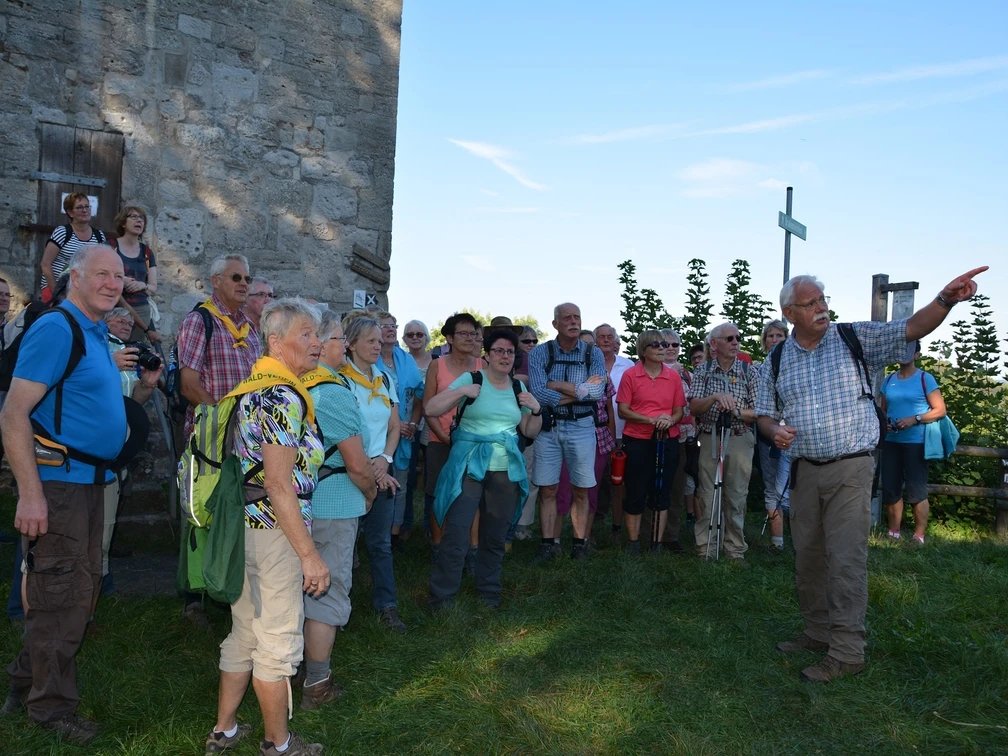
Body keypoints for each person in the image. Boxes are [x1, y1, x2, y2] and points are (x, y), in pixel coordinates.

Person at [758, 267, 985, 683]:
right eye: (811, 304)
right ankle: (817, 631)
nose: (822, 308)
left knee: (845, 557)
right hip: (804, 471)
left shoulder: (853, 337)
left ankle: (846, 652)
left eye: (823, 300)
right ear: (790, 313)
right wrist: (774, 431)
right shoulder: (773, 360)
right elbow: (764, 416)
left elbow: (911, 327)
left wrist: (946, 300)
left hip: (851, 466)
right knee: (808, 556)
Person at [0, 245, 128, 745]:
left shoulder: (94, 332)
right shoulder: (58, 328)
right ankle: (50, 711)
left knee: (74, 589)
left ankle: (23, 683)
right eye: (101, 273)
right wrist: (31, 495)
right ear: (74, 276)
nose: (113, 283)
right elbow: (13, 413)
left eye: (119, 276)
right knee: (61, 597)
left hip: (88, 485)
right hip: (59, 487)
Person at [207, 298, 326, 756]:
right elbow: (279, 485)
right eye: (306, 333)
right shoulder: (280, 395)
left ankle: (224, 730)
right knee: (276, 645)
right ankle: (279, 744)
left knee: (245, 632)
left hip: (244, 530)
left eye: (317, 334)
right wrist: (309, 555)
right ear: (275, 340)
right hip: (276, 532)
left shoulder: (252, 387)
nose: (316, 343)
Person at [300, 311, 389, 710]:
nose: (340, 344)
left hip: (302, 501)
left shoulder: (294, 383)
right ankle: (316, 685)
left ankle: (292, 669)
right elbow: (356, 464)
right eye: (336, 337)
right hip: (334, 502)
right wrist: (369, 494)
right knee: (327, 589)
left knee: (299, 590)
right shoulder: (331, 390)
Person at [426, 328, 542, 608]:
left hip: (505, 468)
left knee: (495, 532)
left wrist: (537, 410)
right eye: (499, 351)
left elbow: (529, 430)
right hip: (469, 464)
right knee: (458, 529)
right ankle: (442, 596)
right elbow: (431, 409)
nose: (505, 356)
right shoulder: (472, 379)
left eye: (510, 352)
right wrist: (462, 391)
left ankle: (489, 592)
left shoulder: (519, 388)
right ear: (486, 356)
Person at [176, 254, 262, 626]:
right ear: (215, 281)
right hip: (212, 435)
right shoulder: (200, 322)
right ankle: (194, 596)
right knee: (202, 509)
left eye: (247, 278)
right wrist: (223, 421)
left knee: (234, 509)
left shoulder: (250, 327)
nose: (244, 283)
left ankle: (229, 588)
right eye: (236, 277)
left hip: (245, 436)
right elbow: (189, 384)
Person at [339, 315, 405, 633]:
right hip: (348, 472)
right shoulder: (340, 379)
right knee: (342, 545)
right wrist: (369, 466)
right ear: (350, 344)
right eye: (371, 340)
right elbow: (341, 432)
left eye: (380, 340)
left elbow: (394, 426)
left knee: (380, 543)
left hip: (382, 471)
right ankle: (336, 611)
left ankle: (387, 606)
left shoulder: (385, 378)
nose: (378, 345)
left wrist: (385, 460)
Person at [528, 302, 606, 561]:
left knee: (581, 488)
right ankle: (548, 544)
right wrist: (581, 391)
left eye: (577, 317)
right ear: (555, 324)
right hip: (548, 428)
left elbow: (597, 392)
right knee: (548, 489)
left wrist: (557, 384)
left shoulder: (593, 354)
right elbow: (538, 394)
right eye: (567, 318)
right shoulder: (539, 353)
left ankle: (579, 544)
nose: (574, 322)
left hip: (582, 427)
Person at [100, 308, 162, 598]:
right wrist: (110, 363)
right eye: (119, 320)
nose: (126, 325)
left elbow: (134, 401)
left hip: (121, 438)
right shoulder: (99, 349)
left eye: (129, 321)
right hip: (92, 441)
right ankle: (98, 581)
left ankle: (103, 575)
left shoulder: (129, 353)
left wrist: (147, 385)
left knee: (112, 502)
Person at [688, 322, 758, 561]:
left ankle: (735, 549)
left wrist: (737, 411)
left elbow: (760, 411)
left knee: (737, 494)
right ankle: (706, 547)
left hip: (739, 436)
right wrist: (715, 398)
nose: (735, 342)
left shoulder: (749, 371)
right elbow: (694, 406)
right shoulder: (702, 371)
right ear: (714, 344)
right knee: (707, 493)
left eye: (738, 337)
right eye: (729, 338)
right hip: (709, 436)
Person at [616, 330, 686, 553]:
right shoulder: (630, 375)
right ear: (643, 350)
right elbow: (623, 411)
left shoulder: (673, 376)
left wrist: (669, 419)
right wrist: (651, 419)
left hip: (667, 440)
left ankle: (656, 543)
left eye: (664, 344)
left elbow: (679, 411)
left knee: (663, 491)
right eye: (656, 344)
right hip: (637, 440)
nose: (662, 348)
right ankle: (633, 542)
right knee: (635, 490)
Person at [422, 313, 483, 560]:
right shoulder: (437, 365)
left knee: (472, 497)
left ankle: (473, 551)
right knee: (440, 495)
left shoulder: (483, 366)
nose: (470, 339)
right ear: (449, 337)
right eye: (463, 334)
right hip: (441, 442)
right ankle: (438, 547)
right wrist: (445, 439)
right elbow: (428, 407)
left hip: (472, 445)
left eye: (473, 334)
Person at [553, 329, 615, 548]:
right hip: (565, 430)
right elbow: (550, 399)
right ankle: (555, 540)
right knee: (561, 487)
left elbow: (608, 410)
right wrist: (581, 389)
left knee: (590, 489)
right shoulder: (561, 372)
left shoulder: (603, 376)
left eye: (592, 346)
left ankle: (584, 538)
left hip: (598, 437)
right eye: (584, 345)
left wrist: (614, 442)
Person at [881, 340, 946, 546]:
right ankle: (893, 533)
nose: (904, 353)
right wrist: (886, 425)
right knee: (891, 489)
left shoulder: (925, 379)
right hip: (891, 441)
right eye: (900, 349)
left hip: (916, 442)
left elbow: (940, 410)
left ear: (917, 354)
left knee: (916, 490)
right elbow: (883, 410)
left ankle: (918, 537)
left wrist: (914, 419)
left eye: (910, 349)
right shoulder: (888, 379)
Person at [376, 312, 423, 549]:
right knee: (376, 483)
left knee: (401, 485)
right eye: (384, 326)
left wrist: (412, 424)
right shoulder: (368, 361)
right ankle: (375, 533)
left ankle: (394, 536)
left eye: (393, 325)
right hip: (376, 436)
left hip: (405, 435)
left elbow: (418, 396)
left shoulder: (406, 360)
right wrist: (393, 424)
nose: (390, 330)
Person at [594, 323, 635, 541]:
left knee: (620, 482)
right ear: (595, 341)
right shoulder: (588, 365)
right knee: (593, 481)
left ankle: (617, 528)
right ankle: (590, 525)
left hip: (623, 431)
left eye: (610, 336)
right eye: (602, 336)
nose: (606, 340)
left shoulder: (628, 366)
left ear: (616, 340)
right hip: (594, 433)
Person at [755, 320, 791, 553]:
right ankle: (777, 542)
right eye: (771, 336)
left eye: (779, 335)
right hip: (767, 435)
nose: (775, 339)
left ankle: (802, 540)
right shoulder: (758, 369)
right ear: (764, 341)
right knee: (771, 486)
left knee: (795, 487)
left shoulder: (796, 365)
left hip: (797, 434)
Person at [38, 193, 107, 303]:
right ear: (70, 212)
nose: (84, 210)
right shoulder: (63, 232)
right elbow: (45, 264)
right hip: (55, 289)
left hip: (83, 292)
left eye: (87, 206)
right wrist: (57, 293)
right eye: (79, 207)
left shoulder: (99, 236)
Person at [401, 319, 433, 538]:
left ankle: (431, 526)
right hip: (408, 425)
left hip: (431, 425)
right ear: (404, 339)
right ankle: (405, 525)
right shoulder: (400, 360)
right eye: (410, 334)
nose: (415, 338)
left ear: (426, 337)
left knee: (432, 478)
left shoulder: (437, 361)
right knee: (408, 477)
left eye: (419, 334)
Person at [111, 206, 160, 343]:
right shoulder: (110, 247)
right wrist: (123, 280)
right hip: (114, 308)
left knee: (135, 352)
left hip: (141, 311)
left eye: (142, 218)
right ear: (122, 222)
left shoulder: (147, 252)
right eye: (133, 217)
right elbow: (102, 274)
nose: (139, 221)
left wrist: (141, 285)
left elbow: (153, 288)